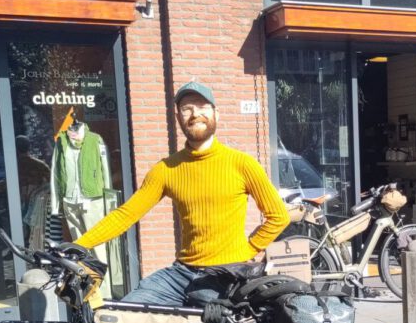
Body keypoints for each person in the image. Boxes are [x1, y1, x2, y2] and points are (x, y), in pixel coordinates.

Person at [72, 81, 289, 306]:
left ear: (216, 113)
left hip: (226, 277)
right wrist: (79, 245)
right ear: (178, 117)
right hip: (181, 275)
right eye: (187, 109)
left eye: (202, 107)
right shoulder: (166, 169)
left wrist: (248, 249)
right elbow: (126, 214)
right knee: (128, 315)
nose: (195, 114)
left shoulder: (242, 164)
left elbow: (278, 216)